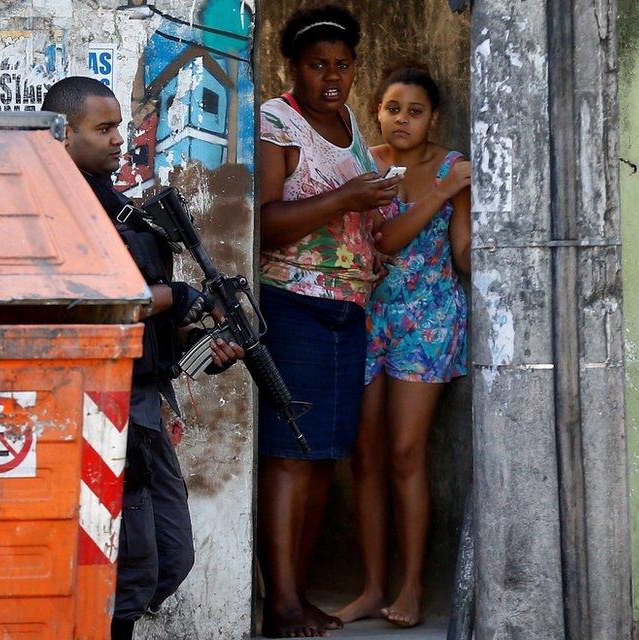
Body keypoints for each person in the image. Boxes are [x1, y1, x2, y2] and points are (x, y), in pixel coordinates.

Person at [42, 77, 244, 640]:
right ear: (62, 134)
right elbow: (92, 304)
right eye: (103, 130)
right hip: (101, 407)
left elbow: (146, 322)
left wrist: (198, 343)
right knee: (129, 569)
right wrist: (173, 299)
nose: (117, 141)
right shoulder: (59, 210)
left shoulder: (123, 211)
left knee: (171, 557)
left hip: (144, 402)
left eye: (120, 129)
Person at [255, 5, 402, 638]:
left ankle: (299, 593)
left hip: (348, 310)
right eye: (318, 66)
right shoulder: (277, 121)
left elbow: (354, 224)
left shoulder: (349, 126)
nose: (332, 77)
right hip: (293, 305)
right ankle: (281, 601)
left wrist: (380, 212)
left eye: (342, 65)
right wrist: (350, 195)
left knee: (321, 458)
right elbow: (266, 223)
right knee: (290, 456)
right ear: (294, 68)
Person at [335, 64, 471, 629]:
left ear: (432, 117)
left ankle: (413, 587)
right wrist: (439, 195)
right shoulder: (363, 164)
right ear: (377, 111)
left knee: (406, 454)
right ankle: (372, 588)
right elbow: (377, 241)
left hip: (430, 320)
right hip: (367, 317)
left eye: (415, 112)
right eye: (393, 109)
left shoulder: (453, 166)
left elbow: (462, 253)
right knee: (364, 456)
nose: (402, 121)